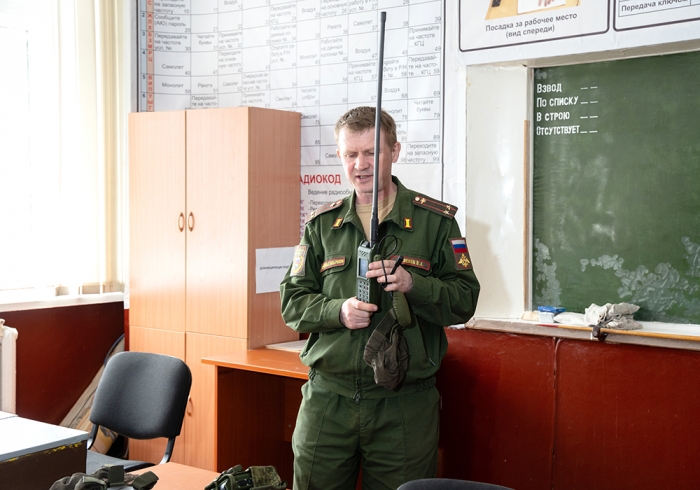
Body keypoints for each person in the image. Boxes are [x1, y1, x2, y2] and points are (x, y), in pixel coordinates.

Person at [280, 106, 480, 490]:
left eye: (372, 152)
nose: (361, 164)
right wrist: (337, 311)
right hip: (328, 400)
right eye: (351, 154)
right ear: (340, 156)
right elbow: (292, 301)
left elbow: (465, 300)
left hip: (403, 406)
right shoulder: (322, 226)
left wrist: (413, 284)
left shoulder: (436, 223)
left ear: (395, 151)